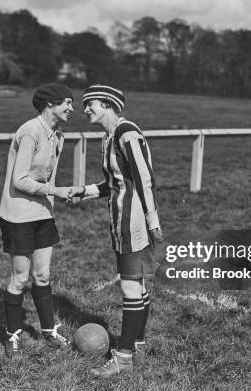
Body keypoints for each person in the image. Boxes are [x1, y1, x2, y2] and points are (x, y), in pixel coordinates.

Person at [69, 84, 164, 377]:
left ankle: (123, 358)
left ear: (108, 104)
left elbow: (144, 179)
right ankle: (137, 343)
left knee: (130, 287)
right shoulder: (109, 137)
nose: (86, 109)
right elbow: (113, 183)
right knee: (137, 285)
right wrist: (83, 191)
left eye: (91, 104)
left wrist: (152, 221)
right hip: (121, 222)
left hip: (133, 223)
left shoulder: (126, 133)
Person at [0, 83, 75, 356]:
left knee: (42, 275)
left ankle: (48, 331)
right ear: (50, 105)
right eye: (67, 102)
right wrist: (55, 190)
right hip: (18, 215)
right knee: (20, 277)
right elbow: (19, 181)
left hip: (43, 214)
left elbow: (47, 179)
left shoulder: (58, 135)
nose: (71, 108)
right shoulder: (30, 131)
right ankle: (13, 335)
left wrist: (56, 198)